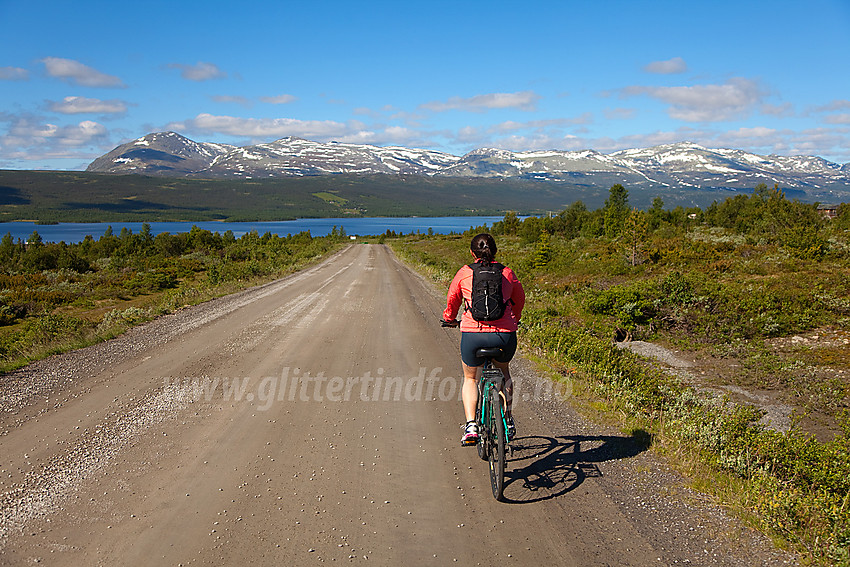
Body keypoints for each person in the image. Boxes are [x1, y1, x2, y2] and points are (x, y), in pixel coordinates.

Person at [442, 233, 525, 446]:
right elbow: (519, 299)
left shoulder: (464, 272)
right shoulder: (507, 272)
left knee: (471, 379)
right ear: (495, 251)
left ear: (472, 253)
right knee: (504, 371)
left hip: (473, 336)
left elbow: (453, 300)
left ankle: (471, 425)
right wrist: (512, 319)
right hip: (504, 336)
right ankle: (507, 417)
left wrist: (450, 319)